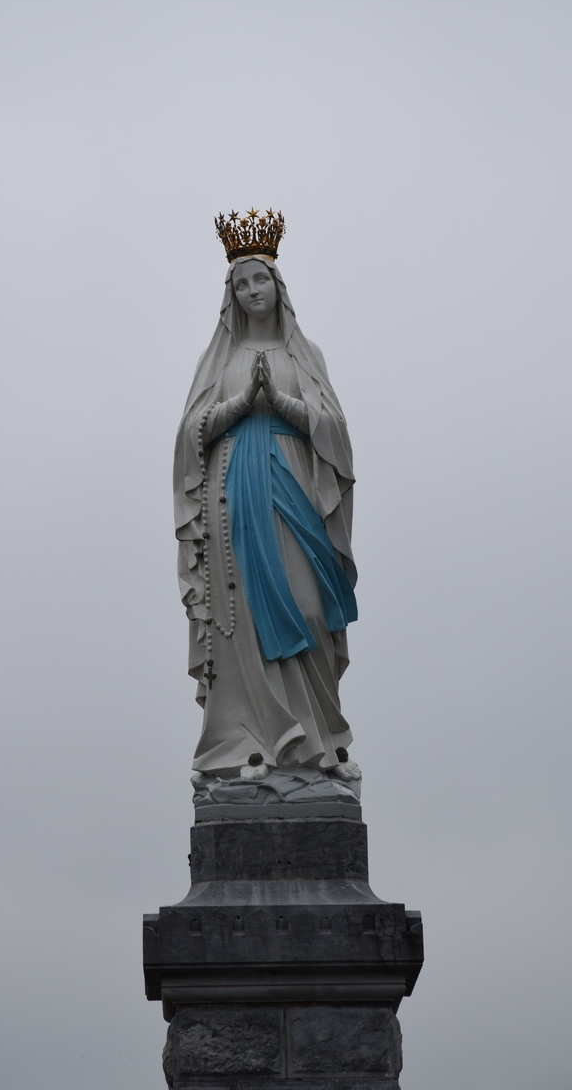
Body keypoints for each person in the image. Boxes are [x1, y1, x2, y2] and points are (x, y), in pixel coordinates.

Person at [174, 226, 359, 779]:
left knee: (308, 608)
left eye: (261, 279)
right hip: (235, 486)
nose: (252, 290)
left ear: (279, 286)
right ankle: (253, 743)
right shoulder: (218, 360)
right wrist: (238, 406)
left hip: (295, 482)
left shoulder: (306, 356)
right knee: (247, 615)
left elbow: (336, 433)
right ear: (230, 296)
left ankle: (321, 743)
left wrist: (278, 401)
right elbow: (189, 435)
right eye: (242, 283)